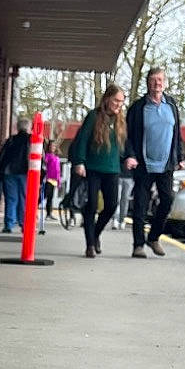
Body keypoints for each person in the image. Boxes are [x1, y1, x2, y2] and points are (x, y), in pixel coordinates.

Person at [124, 65, 183, 259]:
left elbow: (177, 135)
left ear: (164, 82)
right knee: (141, 204)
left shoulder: (172, 105)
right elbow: (128, 136)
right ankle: (138, 245)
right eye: (153, 80)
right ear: (147, 82)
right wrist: (130, 155)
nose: (157, 83)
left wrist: (180, 157)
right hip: (143, 164)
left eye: (160, 80)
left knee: (167, 200)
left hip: (166, 164)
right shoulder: (138, 107)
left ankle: (154, 237)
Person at [70, 86, 127, 258]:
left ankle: (95, 234)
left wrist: (129, 158)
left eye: (121, 102)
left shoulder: (121, 121)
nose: (118, 105)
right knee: (92, 205)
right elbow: (82, 140)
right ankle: (89, 245)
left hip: (112, 169)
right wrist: (79, 162)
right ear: (107, 99)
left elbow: (125, 145)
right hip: (93, 168)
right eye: (116, 100)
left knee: (111, 205)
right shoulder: (94, 116)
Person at [0, 116, 31, 233]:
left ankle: (9, 224)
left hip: (9, 172)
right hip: (25, 173)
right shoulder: (31, 140)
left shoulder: (11, 140)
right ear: (29, 128)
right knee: (24, 198)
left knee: (11, 199)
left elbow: (2, 157)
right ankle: (24, 223)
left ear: (17, 128)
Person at [41, 140, 62, 227]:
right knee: (45, 195)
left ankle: (49, 213)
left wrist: (59, 181)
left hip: (54, 179)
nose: (52, 148)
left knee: (51, 197)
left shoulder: (56, 157)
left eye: (54, 146)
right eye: (51, 146)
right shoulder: (48, 156)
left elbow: (58, 170)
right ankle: (35, 208)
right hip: (49, 178)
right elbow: (45, 163)